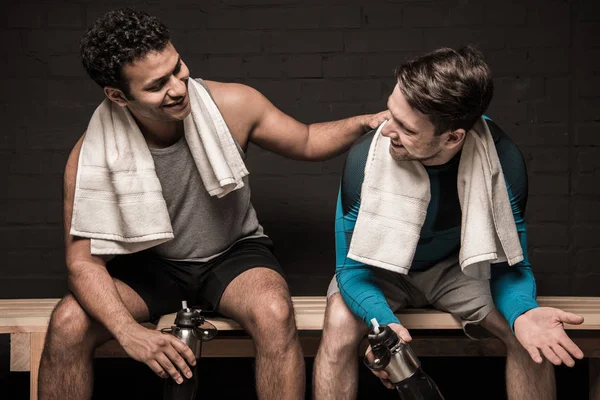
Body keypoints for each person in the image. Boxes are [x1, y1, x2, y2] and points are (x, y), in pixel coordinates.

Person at [38, 8, 387, 400]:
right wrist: (128, 331)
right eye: (156, 85)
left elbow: (305, 139)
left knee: (275, 312)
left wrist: (364, 122)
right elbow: (82, 263)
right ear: (118, 96)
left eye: (177, 68)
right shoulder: (90, 154)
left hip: (231, 253)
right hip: (151, 262)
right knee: (67, 323)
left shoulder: (234, 104)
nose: (177, 88)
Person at [313, 45, 585, 400]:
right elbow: (351, 270)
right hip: (379, 270)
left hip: (458, 268)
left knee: (529, 334)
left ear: (453, 137)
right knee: (338, 322)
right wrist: (383, 322)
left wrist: (522, 313)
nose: (386, 131)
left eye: (407, 128)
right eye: (390, 113)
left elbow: (509, 268)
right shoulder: (364, 158)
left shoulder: (502, 162)